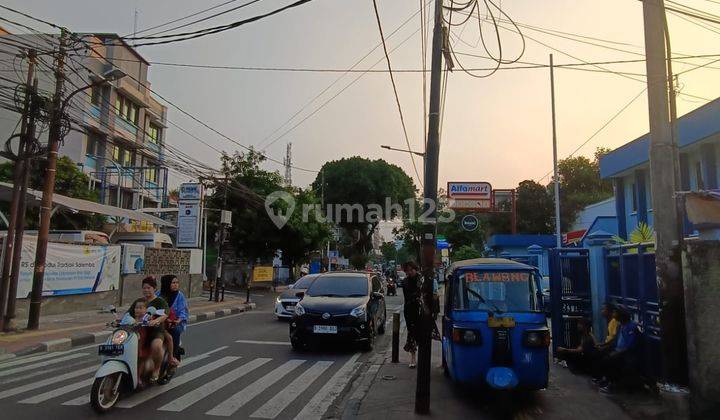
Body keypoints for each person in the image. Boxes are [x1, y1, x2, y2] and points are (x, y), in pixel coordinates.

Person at [128, 276, 169, 383]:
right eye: (144, 288)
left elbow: (165, 314)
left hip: (155, 331)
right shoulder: (139, 301)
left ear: (154, 288)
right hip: (139, 330)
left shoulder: (160, 301)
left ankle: (157, 369)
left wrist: (156, 321)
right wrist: (118, 321)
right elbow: (129, 314)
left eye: (149, 288)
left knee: (156, 346)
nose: (146, 290)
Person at [594, 306, 641, 393]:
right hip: (619, 350)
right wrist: (603, 345)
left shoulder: (632, 327)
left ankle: (613, 384)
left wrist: (617, 353)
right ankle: (606, 379)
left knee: (610, 359)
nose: (614, 314)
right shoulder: (620, 326)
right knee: (600, 354)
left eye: (615, 312)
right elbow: (615, 340)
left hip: (628, 354)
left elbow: (630, 346)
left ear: (621, 315)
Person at [160, 274, 189, 364]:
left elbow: (183, 311)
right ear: (166, 284)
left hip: (175, 322)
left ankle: (173, 356)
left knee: (175, 332)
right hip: (160, 322)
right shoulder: (159, 295)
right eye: (173, 283)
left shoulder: (180, 296)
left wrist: (178, 320)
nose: (176, 285)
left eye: (177, 282)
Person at [402, 261, 423, 368]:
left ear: (416, 269)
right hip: (410, 310)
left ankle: (423, 357)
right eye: (407, 270)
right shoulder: (405, 282)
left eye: (412, 270)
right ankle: (413, 358)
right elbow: (409, 296)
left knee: (423, 333)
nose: (410, 272)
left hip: (421, 310)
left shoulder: (422, 279)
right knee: (412, 333)